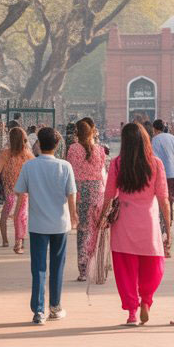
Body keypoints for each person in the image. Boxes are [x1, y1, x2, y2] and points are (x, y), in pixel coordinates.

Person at [101, 122, 171, 325]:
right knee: (153, 264)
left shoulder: (116, 163)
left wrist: (101, 219)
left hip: (123, 222)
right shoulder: (156, 163)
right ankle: (146, 301)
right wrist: (168, 226)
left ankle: (132, 311)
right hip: (148, 222)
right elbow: (163, 198)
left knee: (125, 269)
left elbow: (108, 196)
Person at [14, 127, 77, 324]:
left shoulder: (29, 166)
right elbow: (71, 195)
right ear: (57, 145)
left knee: (38, 268)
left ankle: (38, 311)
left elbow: (20, 193)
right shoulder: (65, 166)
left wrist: (17, 219)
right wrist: (74, 217)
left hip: (38, 224)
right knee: (58, 266)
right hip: (60, 223)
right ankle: (55, 306)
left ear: (38, 144)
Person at [67, 117, 108, 281]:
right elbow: (102, 170)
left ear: (77, 133)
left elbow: (70, 171)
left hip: (79, 192)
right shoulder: (100, 150)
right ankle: (95, 265)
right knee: (95, 229)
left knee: (82, 231)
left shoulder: (73, 149)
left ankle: (83, 269)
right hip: (96, 191)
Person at [0, 125, 32, 251]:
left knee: (5, 214)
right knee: (22, 216)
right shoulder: (28, 155)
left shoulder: (5, 154)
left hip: (10, 191)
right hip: (23, 192)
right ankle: (20, 240)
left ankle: (5, 240)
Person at [151, 119, 174, 251]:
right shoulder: (173, 138)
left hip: (159, 175)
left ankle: (162, 231)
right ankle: (168, 227)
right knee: (169, 204)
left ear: (154, 129)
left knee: (159, 204)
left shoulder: (155, 140)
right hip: (172, 175)